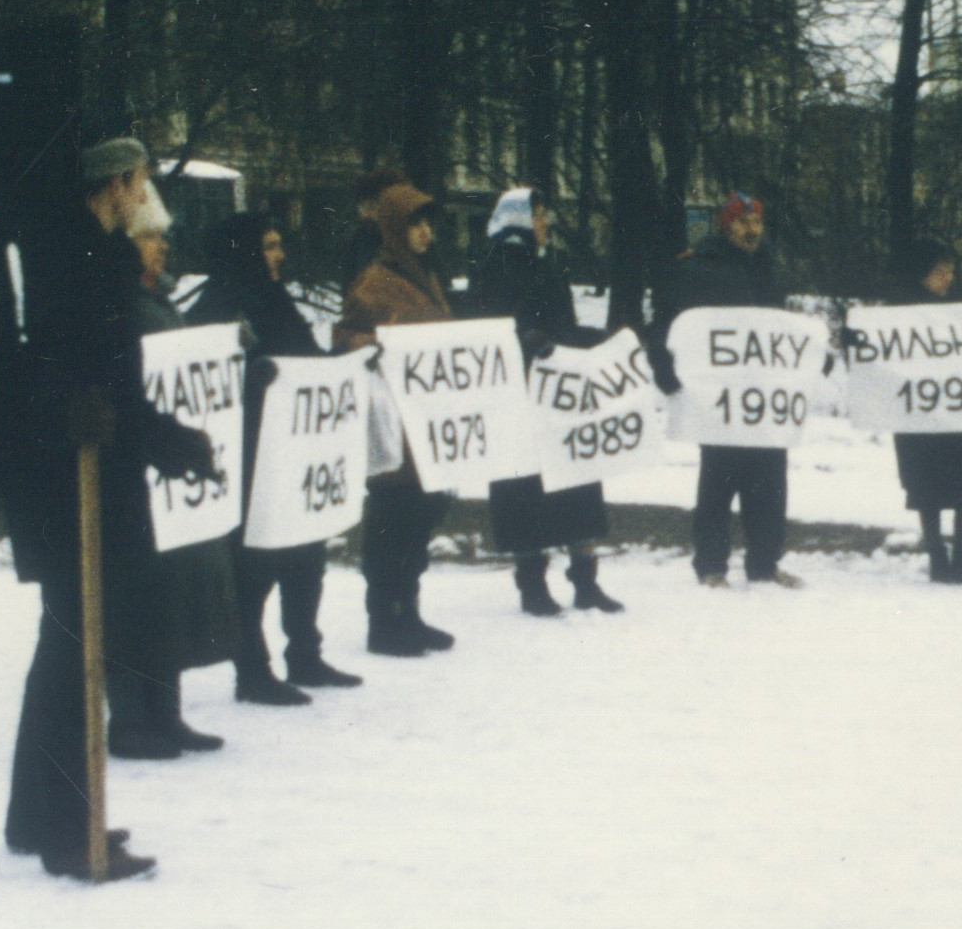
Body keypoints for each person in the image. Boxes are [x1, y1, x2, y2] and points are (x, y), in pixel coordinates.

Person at [0, 137, 218, 883]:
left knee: (66, 644)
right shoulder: (75, 260)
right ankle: (66, 827)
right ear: (115, 183)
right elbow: (70, 373)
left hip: (77, 474)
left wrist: (159, 437)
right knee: (77, 651)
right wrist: (161, 437)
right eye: (138, 179)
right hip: (71, 482)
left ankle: (34, 813)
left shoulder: (81, 254)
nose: (145, 192)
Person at [186, 211, 363, 704]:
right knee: (254, 570)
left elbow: (303, 362)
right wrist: (252, 379)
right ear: (243, 251)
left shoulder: (275, 299)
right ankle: (253, 670)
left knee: (307, 557)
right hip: (250, 463)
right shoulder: (215, 306)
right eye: (268, 245)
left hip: (292, 455)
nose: (279, 254)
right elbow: (203, 382)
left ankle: (305, 654)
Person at [104, 211, 235, 758]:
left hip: (167, 466)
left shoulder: (158, 299)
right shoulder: (123, 303)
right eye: (150, 236)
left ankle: (166, 712)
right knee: (138, 595)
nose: (161, 246)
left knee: (169, 593)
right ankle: (132, 719)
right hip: (140, 465)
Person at [470, 187, 624, 612]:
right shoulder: (492, 267)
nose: (545, 223)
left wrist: (600, 340)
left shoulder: (550, 265)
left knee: (577, 479)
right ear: (517, 219)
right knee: (523, 492)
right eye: (538, 215)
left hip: (559, 395)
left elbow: (564, 328)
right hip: (516, 397)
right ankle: (532, 584)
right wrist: (524, 342)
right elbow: (485, 333)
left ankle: (585, 581)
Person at [649, 191, 798, 588]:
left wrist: (811, 360)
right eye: (742, 223)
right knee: (719, 482)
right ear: (726, 226)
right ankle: (711, 564)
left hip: (762, 400)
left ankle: (764, 563)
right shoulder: (699, 269)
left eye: (757, 223)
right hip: (719, 402)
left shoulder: (771, 269)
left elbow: (783, 330)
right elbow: (667, 322)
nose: (752, 231)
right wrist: (664, 368)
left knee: (770, 484)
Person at [339, 171, 461, 651]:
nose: (425, 232)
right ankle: (383, 620)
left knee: (417, 522)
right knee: (392, 523)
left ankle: (408, 611)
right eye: (414, 225)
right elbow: (346, 334)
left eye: (427, 223)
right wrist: (368, 344)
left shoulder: (427, 278)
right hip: (392, 429)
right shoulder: (376, 281)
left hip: (425, 427)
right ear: (394, 228)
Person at [882, 239, 962, 584]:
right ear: (921, 273)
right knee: (925, 486)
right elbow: (874, 350)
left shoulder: (961, 311)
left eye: (950, 270)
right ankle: (937, 556)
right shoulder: (897, 312)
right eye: (939, 271)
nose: (947, 277)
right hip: (918, 416)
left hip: (957, 417)